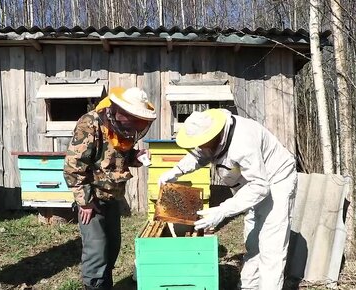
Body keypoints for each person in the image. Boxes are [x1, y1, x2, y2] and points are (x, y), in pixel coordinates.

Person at [158, 108, 297, 290]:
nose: (200, 147)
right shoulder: (211, 135)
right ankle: (249, 286)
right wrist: (175, 172)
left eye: (203, 143)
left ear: (215, 135)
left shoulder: (243, 143)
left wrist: (223, 210)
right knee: (254, 242)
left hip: (277, 180)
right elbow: (200, 155)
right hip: (251, 185)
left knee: (271, 247)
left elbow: (260, 186)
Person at [63, 87, 156, 290]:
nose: (133, 126)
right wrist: (85, 203)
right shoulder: (90, 123)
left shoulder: (123, 129)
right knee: (97, 251)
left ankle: (105, 284)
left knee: (111, 249)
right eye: (132, 120)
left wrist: (136, 157)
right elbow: (73, 167)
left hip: (113, 197)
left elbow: (117, 158)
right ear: (119, 111)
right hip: (93, 199)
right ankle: (95, 285)